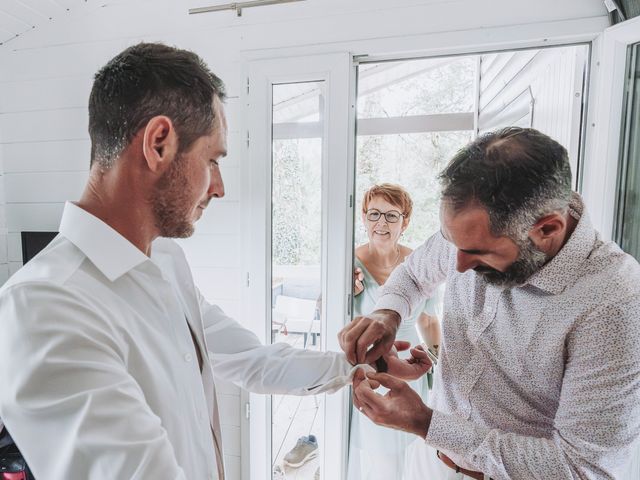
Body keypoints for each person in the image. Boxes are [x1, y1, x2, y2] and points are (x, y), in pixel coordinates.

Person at [0, 43, 430, 480]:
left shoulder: (167, 262)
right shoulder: (43, 307)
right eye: (213, 160)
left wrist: (364, 361)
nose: (219, 187)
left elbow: (253, 360)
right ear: (158, 143)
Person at [340, 127, 640, 479]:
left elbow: (582, 468)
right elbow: (415, 275)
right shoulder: (475, 228)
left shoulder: (614, 303)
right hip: (428, 461)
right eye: (453, 244)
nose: (458, 266)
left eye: (477, 254)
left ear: (546, 230)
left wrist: (425, 421)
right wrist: (387, 312)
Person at [348, 183, 440, 480]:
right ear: (363, 218)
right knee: (381, 456)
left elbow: (428, 320)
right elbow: (324, 314)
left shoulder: (419, 263)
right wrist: (343, 293)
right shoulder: (348, 263)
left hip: (411, 369)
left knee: (411, 452)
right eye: (374, 214)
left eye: (391, 215)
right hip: (371, 369)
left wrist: (439, 365)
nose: (381, 223)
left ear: (405, 221)